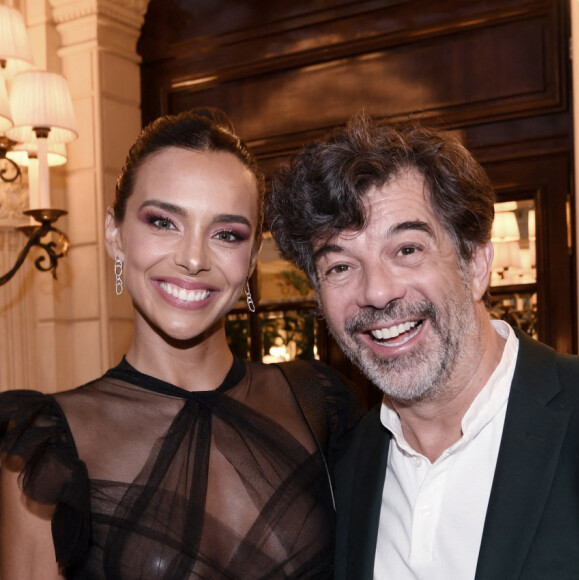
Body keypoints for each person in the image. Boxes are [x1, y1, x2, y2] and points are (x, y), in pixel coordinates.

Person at [0, 108, 359, 579]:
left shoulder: (318, 403)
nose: (192, 258)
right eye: (163, 222)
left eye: (226, 234)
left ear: (251, 258)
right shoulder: (45, 444)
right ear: (115, 235)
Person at [267, 112, 579, 580]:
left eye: (407, 249)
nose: (376, 292)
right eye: (340, 267)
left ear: (475, 263)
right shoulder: (344, 468)